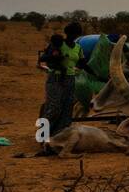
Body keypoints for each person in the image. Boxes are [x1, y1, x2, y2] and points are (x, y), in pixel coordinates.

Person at [36, 22, 91, 155]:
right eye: (71, 33)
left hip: (70, 80)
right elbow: (43, 58)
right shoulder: (58, 44)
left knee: (67, 110)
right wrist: (55, 57)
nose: (73, 36)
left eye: (76, 34)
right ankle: (42, 136)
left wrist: (98, 75)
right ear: (67, 33)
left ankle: (57, 139)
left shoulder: (78, 47)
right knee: (54, 107)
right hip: (56, 79)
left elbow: (83, 63)